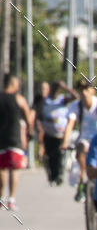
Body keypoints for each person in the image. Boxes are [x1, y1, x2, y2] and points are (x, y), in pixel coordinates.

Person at [61, 80, 97, 201]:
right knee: (81, 149)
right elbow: (70, 125)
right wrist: (65, 142)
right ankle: (83, 181)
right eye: (81, 90)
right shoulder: (76, 106)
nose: (83, 93)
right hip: (85, 139)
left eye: (86, 90)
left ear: (93, 91)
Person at [0, 74, 34, 211]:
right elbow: (28, 117)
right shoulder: (19, 99)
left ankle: (1, 198)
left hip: (0, 138)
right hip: (15, 137)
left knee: (1, 168)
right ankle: (12, 199)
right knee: (14, 168)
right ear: (13, 84)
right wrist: (30, 132)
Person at [38, 80, 77, 185]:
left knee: (59, 155)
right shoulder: (45, 101)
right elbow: (40, 116)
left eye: (57, 89)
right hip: (49, 133)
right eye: (54, 88)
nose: (55, 91)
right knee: (50, 156)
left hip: (60, 134)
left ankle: (59, 175)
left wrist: (66, 87)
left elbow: (76, 97)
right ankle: (52, 176)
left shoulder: (62, 100)